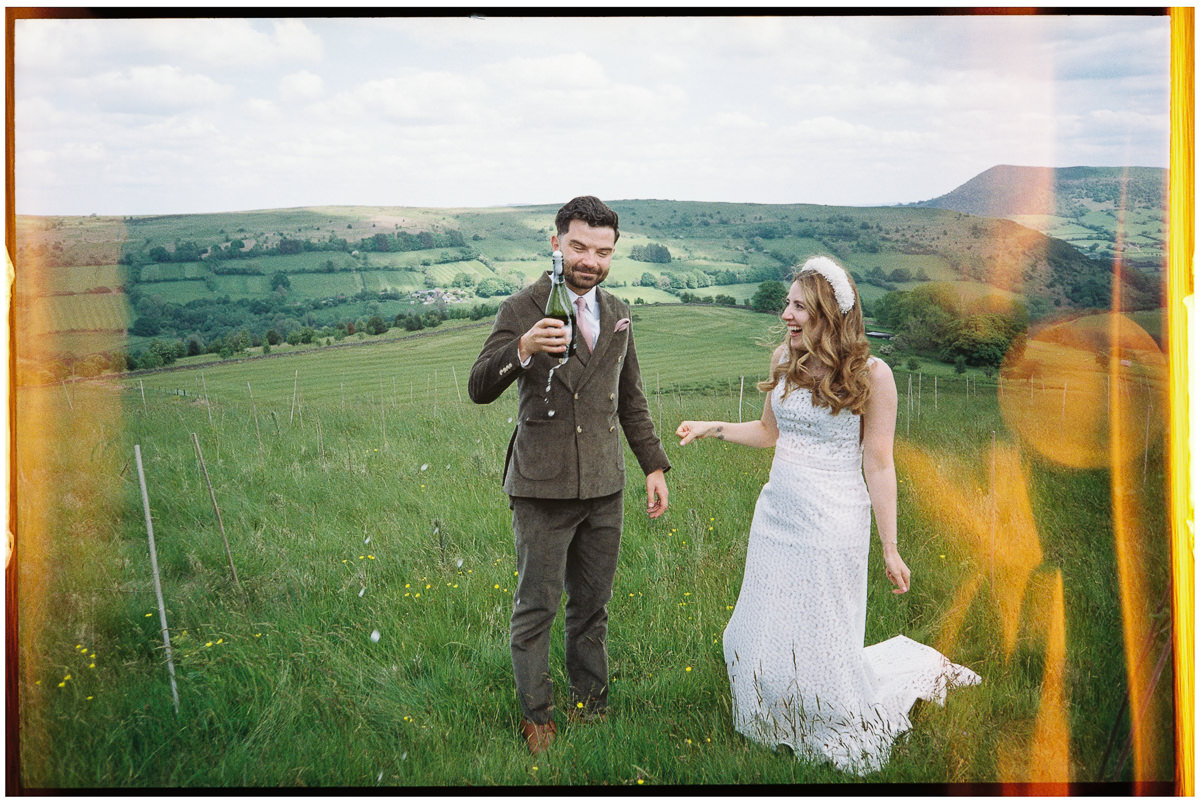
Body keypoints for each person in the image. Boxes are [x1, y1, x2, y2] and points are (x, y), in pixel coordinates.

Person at [676, 256, 980, 774]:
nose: (786, 315)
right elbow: (771, 433)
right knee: (762, 624)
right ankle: (771, 717)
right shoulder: (783, 359)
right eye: (788, 304)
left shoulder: (873, 375)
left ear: (830, 315)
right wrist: (713, 427)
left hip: (834, 522)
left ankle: (826, 716)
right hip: (776, 517)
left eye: (799, 306)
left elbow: (879, 463)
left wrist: (890, 547)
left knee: (820, 633)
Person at [468, 195, 670, 754]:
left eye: (603, 251)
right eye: (580, 246)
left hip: (605, 488)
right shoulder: (522, 306)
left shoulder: (619, 308)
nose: (591, 260)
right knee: (536, 608)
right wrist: (524, 347)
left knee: (592, 607)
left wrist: (653, 464)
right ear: (556, 243)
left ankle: (591, 706)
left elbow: (631, 399)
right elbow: (479, 385)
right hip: (540, 488)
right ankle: (537, 716)